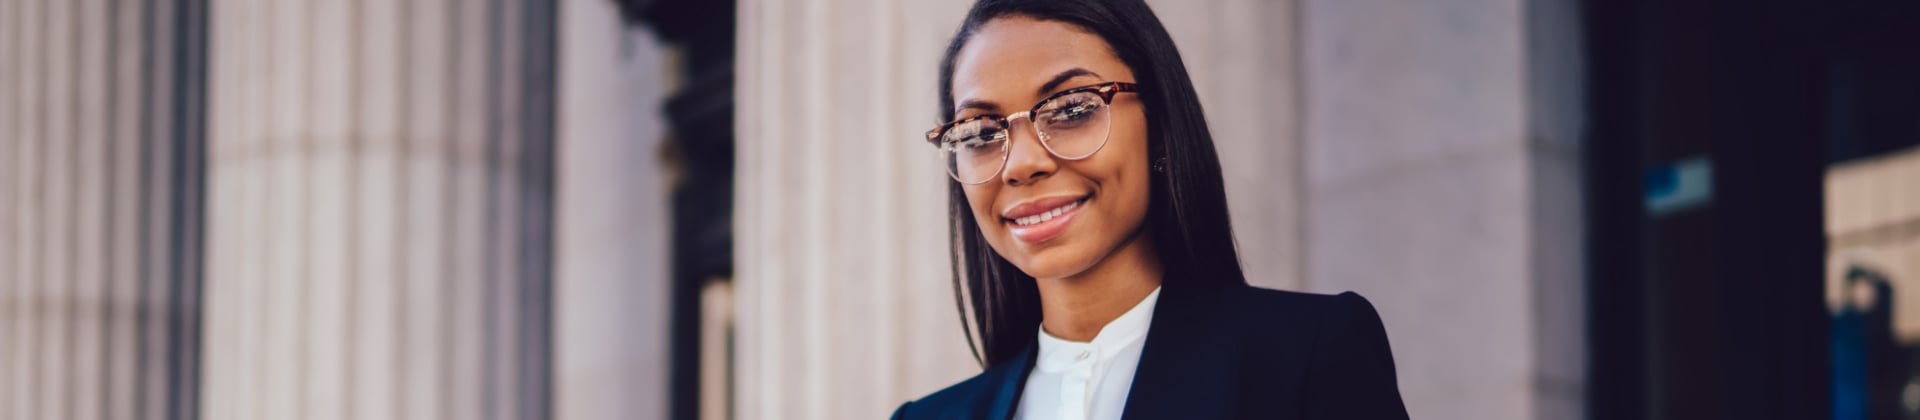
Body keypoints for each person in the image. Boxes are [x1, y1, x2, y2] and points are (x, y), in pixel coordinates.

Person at [890, 0, 1409, 419]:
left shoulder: (1306, 356)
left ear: (1159, 128)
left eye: (1072, 109)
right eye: (981, 133)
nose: (1020, 164)